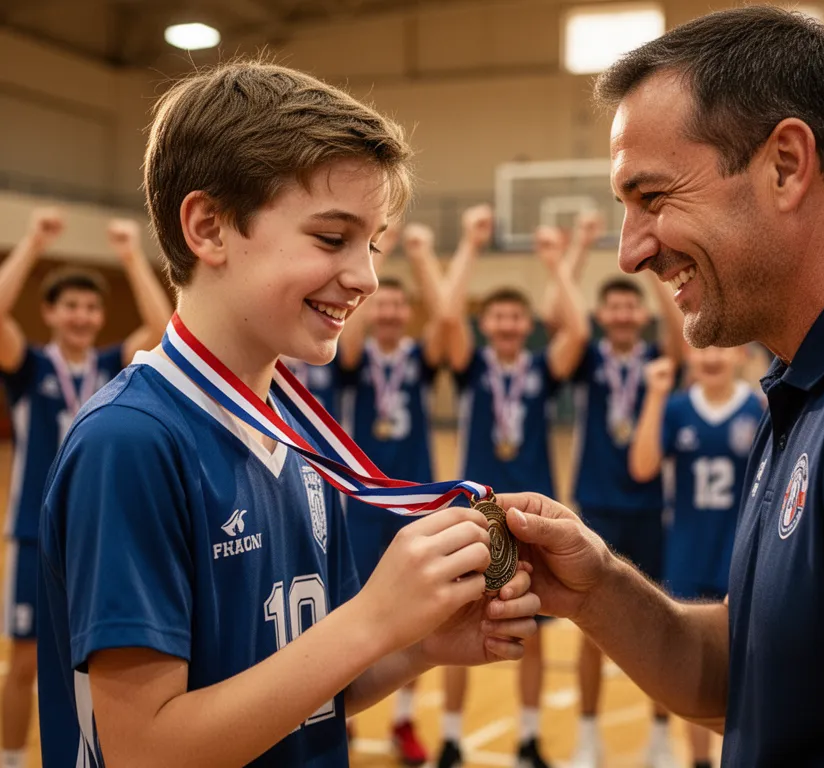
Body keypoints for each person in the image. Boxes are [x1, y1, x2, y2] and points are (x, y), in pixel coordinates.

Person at [495, 8, 824, 767]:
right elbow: (759, 679)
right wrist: (597, 589)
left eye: (653, 198)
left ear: (785, 164)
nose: (630, 251)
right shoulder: (820, 378)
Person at [35, 61, 541, 767]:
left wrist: (416, 648)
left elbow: (299, 686)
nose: (365, 276)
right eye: (333, 238)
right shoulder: (130, 442)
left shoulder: (298, 430)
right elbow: (145, 749)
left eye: (374, 244)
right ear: (209, 227)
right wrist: (371, 621)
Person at [0, 211, 171, 768]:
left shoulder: (113, 366)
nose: (81, 315)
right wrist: (31, 242)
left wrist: (129, 256)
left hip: (102, 535)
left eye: (91, 307)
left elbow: (163, 325)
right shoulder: (27, 367)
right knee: (24, 663)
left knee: (102, 662)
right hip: (34, 532)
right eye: (70, 305)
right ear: (49, 312)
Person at [436, 212, 590, 768]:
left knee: (535, 629)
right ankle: (450, 738)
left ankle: (527, 739)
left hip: (534, 514)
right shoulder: (472, 366)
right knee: (462, 618)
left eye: (514, 317)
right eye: (497, 316)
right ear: (489, 323)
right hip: (476, 515)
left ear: (527, 324)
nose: (505, 324)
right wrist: (471, 247)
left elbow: (576, 332)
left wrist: (557, 263)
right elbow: (449, 314)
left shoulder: (542, 370)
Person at [562, 241, 687, 767]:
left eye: (629, 306)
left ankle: (659, 739)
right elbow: (566, 329)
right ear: (600, 315)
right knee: (592, 627)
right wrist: (563, 261)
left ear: (640, 313)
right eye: (612, 307)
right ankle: (588, 737)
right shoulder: (587, 358)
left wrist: (660, 282)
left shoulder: (660, 361)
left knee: (658, 623)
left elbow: (682, 344)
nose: (622, 314)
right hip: (596, 504)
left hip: (651, 508)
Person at [336, 221, 446, 764]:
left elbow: (448, 319)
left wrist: (422, 258)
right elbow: (349, 346)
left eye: (401, 307)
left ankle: (404, 720)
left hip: (414, 502)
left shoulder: (420, 360)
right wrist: (376, 260)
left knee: (416, 614)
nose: (391, 313)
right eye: (384, 304)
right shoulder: (351, 360)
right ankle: (342, 715)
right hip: (359, 502)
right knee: (349, 611)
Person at [629, 350, 763, 768]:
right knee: (695, 663)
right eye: (702, 350)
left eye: (722, 349)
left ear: (741, 353)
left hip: (740, 551)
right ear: (686, 352)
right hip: (687, 550)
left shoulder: (760, 405)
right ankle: (700, 760)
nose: (712, 358)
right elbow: (642, 467)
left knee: (745, 666)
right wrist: (654, 395)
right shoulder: (676, 408)